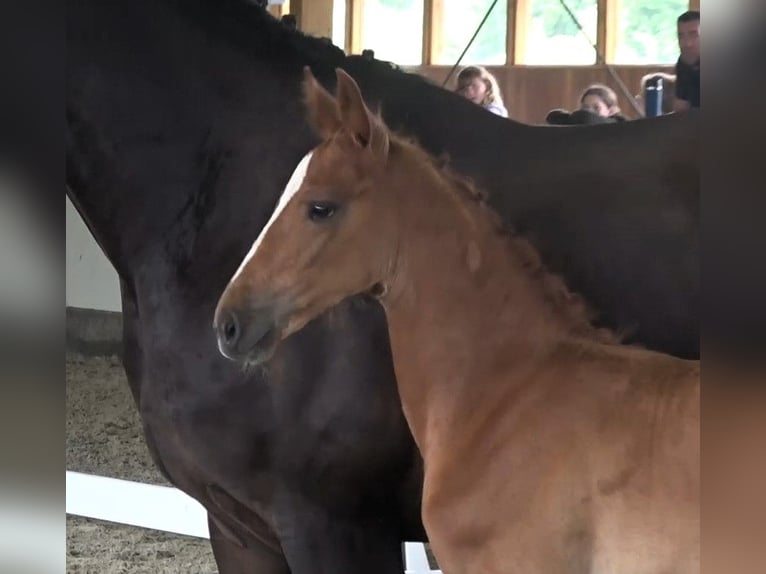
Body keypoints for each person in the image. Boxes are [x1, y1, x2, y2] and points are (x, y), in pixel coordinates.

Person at [673, 10, 700, 111]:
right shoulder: (682, 63)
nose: (687, 43)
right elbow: (681, 107)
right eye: (681, 36)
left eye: (693, 35)